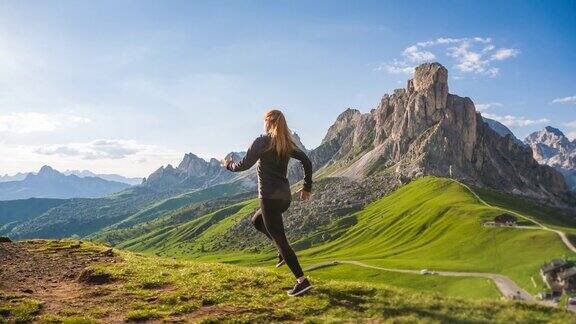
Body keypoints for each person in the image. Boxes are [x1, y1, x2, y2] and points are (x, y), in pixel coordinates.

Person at [221, 109, 313, 297]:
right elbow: (306, 161)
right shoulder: (285, 144)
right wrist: (307, 187)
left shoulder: (261, 142)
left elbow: (243, 165)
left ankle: (302, 281)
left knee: (281, 240)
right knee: (257, 221)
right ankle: (281, 253)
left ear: (267, 122)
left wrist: (228, 165)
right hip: (284, 198)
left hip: (269, 198)